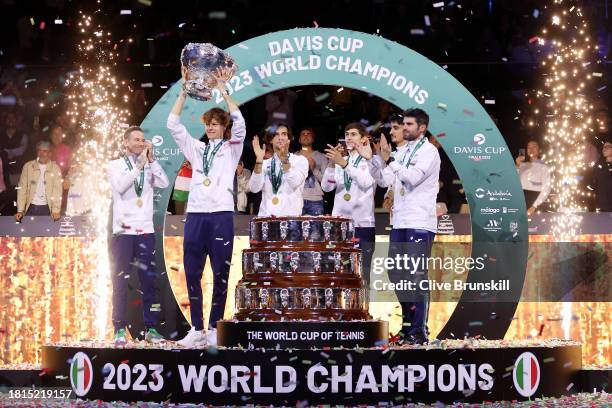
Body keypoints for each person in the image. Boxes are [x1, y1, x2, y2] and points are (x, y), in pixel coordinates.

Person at [167, 67, 245, 347]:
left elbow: (241, 121)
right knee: (192, 272)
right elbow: (173, 125)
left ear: (224, 127)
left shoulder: (232, 148)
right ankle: (196, 328)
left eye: (216, 123)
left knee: (221, 273)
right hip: (197, 217)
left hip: (221, 216)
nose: (211, 127)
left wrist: (224, 91)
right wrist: (184, 93)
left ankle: (214, 327)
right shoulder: (197, 150)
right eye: (208, 123)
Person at [376, 108, 440, 345]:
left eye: (409, 125)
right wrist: (377, 159)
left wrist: (389, 160)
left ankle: (419, 330)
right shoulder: (403, 152)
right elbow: (387, 180)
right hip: (400, 221)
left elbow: (412, 178)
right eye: (404, 124)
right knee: (397, 275)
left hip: (419, 222)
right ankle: (406, 327)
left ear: (421, 128)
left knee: (415, 276)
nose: (404, 128)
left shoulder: (429, 151)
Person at [107, 126, 169, 345]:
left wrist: (150, 161)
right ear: (126, 143)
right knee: (120, 282)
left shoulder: (149, 165)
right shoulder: (114, 165)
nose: (141, 143)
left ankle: (152, 327)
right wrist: (139, 167)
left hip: (145, 231)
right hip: (123, 232)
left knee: (149, 282)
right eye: (136, 140)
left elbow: (164, 183)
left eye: (143, 140)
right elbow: (121, 186)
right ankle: (119, 329)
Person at [322, 123, 376, 285]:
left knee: (362, 272)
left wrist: (344, 164)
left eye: (353, 134)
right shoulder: (341, 160)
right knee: (338, 270)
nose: (349, 138)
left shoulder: (371, 161)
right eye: (347, 134)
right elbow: (327, 186)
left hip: (362, 224)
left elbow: (366, 182)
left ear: (364, 138)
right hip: (338, 224)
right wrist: (333, 163)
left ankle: (362, 309)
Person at [249, 123, 308, 216]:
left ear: (289, 139)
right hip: (266, 219)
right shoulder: (264, 164)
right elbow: (254, 188)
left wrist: (284, 160)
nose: (280, 137)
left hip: (290, 220)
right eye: (276, 134)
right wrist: (259, 161)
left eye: (284, 134)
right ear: (271, 140)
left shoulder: (300, 160)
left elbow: (294, 182)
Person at [15, 141, 62, 221]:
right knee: (28, 232)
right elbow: (22, 189)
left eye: (45, 151)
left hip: (47, 208)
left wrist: (55, 210)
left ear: (50, 153)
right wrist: (20, 210)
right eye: (39, 150)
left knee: (45, 233)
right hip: (30, 207)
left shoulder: (55, 168)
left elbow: (57, 191)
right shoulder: (28, 166)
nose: (41, 153)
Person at [295, 127, 327, 215]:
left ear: (313, 138)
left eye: (308, 134)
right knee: (294, 229)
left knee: (315, 229)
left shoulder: (322, 156)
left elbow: (326, 182)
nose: (305, 136)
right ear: (299, 139)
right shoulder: (293, 157)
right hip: (296, 199)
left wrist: (314, 169)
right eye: (303, 134)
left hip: (315, 200)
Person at [515, 140, 551, 215]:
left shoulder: (544, 167)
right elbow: (514, 183)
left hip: (535, 201)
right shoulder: (521, 165)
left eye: (534, 146)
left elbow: (546, 189)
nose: (531, 149)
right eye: (528, 147)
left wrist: (534, 206)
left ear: (539, 150)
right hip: (519, 200)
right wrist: (517, 165)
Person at [0, 111, 28, 186]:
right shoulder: (1, 134)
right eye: (8, 118)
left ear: (16, 120)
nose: (10, 120)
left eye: (13, 118)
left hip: (17, 172)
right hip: (3, 172)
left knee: (16, 194)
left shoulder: (23, 135)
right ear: (5, 120)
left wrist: (6, 152)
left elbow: (21, 150)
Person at [591, 138, 612, 212]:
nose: (604, 149)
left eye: (608, 146)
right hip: (602, 206)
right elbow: (592, 182)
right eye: (604, 147)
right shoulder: (599, 165)